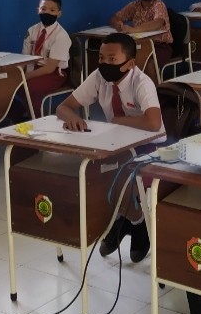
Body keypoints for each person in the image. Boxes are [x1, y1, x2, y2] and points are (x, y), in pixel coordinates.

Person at [56, 32, 165, 263]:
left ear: (130, 63)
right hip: (117, 142)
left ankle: (132, 223)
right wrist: (71, 117)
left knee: (122, 172)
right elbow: (64, 107)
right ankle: (129, 220)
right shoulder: (99, 77)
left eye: (112, 60)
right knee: (93, 171)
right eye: (102, 59)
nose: (105, 64)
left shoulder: (141, 82)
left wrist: (118, 121)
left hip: (150, 145)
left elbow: (153, 123)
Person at [21, 0, 72, 117]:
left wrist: (25, 77)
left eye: (52, 10)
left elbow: (50, 68)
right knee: (7, 85)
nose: (47, 13)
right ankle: (21, 116)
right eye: (43, 9)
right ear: (37, 10)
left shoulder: (61, 36)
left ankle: (36, 120)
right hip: (33, 69)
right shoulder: (31, 31)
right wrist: (18, 74)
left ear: (59, 14)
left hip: (54, 73)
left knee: (29, 87)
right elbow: (24, 58)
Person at [110, 0, 173, 66]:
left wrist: (133, 30)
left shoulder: (159, 4)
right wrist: (117, 24)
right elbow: (116, 17)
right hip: (138, 44)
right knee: (121, 59)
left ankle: (151, 81)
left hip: (159, 46)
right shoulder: (134, 5)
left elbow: (158, 22)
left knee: (148, 63)